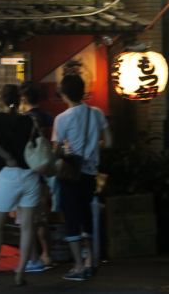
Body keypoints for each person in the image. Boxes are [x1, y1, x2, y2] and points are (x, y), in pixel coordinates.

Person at [0, 84, 40, 287]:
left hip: (8, 175)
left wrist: (7, 156)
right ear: (20, 99)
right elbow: (37, 143)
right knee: (28, 227)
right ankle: (21, 270)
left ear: (2, 99)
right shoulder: (29, 120)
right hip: (30, 175)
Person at [52, 74, 111, 281]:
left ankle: (78, 266)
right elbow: (109, 142)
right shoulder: (97, 113)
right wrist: (93, 147)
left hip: (70, 175)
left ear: (64, 94)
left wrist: (69, 150)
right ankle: (90, 262)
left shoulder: (62, 119)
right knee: (87, 218)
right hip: (91, 174)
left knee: (71, 219)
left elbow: (56, 150)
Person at [19, 81, 55, 272]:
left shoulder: (23, 120)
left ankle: (34, 257)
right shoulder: (48, 117)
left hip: (28, 169)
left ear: (24, 99)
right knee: (42, 217)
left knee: (29, 218)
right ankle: (47, 254)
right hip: (45, 169)